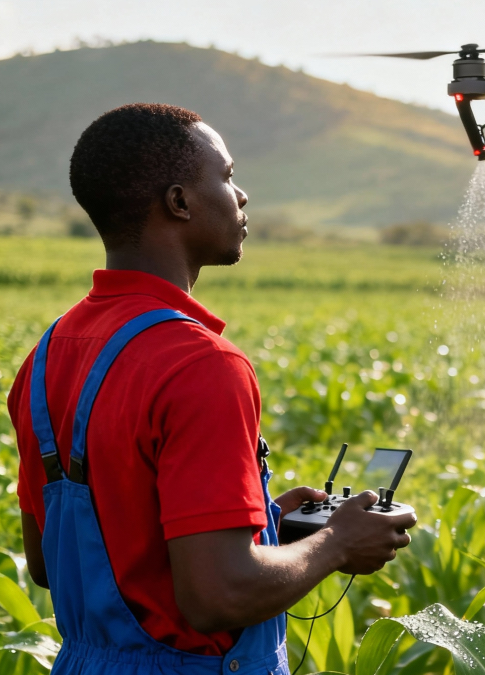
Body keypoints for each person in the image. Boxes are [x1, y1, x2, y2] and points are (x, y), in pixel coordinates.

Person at [7, 103, 417, 675]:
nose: (241, 195)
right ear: (179, 203)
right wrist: (336, 543)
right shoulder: (201, 364)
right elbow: (217, 597)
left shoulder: (45, 357)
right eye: (226, 176)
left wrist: (261, 523)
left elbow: (53, 562)